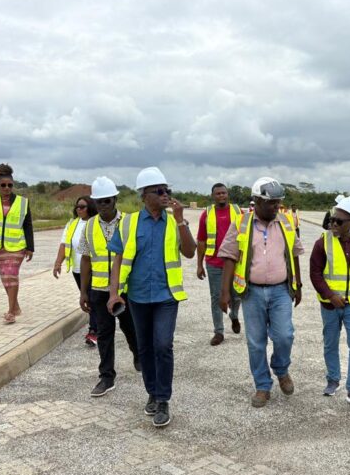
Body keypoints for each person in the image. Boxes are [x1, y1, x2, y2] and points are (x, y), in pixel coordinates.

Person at [107, 167, 196, 428]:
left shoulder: (174, 222)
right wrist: (113, 293)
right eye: (159, 191)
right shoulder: (129, 223)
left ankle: (164, 399)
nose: (165, 194)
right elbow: (118, 259)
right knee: (144, 347)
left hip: (166, 296)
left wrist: (180, 221)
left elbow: (190, 252)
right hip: (137, 297)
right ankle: (153, 393)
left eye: (167, 190)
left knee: (163, 345)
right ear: (144, 195)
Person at [218, 177, 304, 408]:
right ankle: (263, 385)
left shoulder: (285, 222)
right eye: (271, 203)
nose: (276, 206)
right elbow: (229, 257)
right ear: (257, 201)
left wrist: (298, 285)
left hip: (281, 290)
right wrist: (224, 292)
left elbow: (294, 253)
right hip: (252, 293)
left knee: (285, 335)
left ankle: (281, 369)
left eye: (278, 202)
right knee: (256, 342)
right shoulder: (241, 223)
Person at [78, 177, 140, 398]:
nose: (103, 205)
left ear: (115, 199)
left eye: (107, 201)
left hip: (125, 290)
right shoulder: (89, 226)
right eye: (99, 202)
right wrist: (83, 292)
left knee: (131, 328)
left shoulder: (129, 223)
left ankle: (138, 355)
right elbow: (86, 259)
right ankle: (106, 376)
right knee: (104, 334)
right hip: (98, 290)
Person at [310, 196, 350, 408]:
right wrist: (330, 295)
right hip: (330, 305)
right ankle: (333, 379)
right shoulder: (322, 242)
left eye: (339, 221)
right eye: (332, 220)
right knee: (330, 343)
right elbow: (315, 274)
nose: (333, 224)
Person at [0, 164, 33, 324]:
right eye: (3, 185)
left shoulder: (23, 202)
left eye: (10, 185)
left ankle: (11, 312)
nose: (7, 188)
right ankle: (15, 307)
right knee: (5, 278)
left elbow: (28, 225)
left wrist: (30, 247)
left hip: (17, 246)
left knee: (11, 274)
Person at [196, 183, 242, 346]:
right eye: (218, 193)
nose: (221, 196)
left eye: (224, 193)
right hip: (214, 263)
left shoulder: (238, 212)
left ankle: (234, 315)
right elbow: (201, 240)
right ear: (213, 196)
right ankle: (219, 332)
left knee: (236, 295)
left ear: (228, 194)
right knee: (216, 297)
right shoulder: (206, 214)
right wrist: (199, 265)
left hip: (235, 262)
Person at [53, 196, 98, 346]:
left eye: (83, 207)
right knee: (87, 299)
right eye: (77, 207)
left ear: (90, 207)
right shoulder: (72, 224)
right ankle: (98, 326)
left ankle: (94, 331)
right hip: (78, 270)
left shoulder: (96, 222)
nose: (79, 209)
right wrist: (58, 263)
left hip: (94, 269)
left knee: (92, 299)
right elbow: (64, 244)